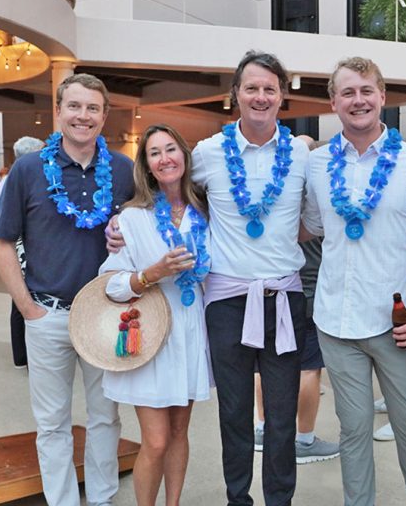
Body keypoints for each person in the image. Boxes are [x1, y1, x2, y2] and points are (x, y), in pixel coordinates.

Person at [302, 57, 406, 506]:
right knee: (353, 430)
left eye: (366, 90)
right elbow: (307, 227)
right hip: (335, 321)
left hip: (396, 324)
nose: (358, 100)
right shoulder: (317, 164)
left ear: (382, 98)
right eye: (348, 92)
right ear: (333, 103)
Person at [0, 73, 134, 506]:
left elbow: (144, 227)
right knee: (52, 422)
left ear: (104, 116)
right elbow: (0, 242)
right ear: (58, 111)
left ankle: (103, 498)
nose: (83, 116)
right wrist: (27, 307)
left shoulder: (124, 170)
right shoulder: (29, 169)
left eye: (93, 108)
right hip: (47, 313)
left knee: (106, 417)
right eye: (74, 106)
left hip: (105, 314)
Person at [191, 51, 308, 506]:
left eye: (269, 89)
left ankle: (281, 500)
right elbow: (170, 193)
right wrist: (124, 225)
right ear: (235, 95)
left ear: (282, 97)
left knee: (282, 416)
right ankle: (237, 498)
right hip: (227, 299)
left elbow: (315, 218)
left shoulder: (300, 154)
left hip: (283, 297)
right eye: (252, 88)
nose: (261, 97)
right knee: (234, 412)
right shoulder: (207, 153)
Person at [98, 124, 212, 506]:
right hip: (151, 334)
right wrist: (152, 274)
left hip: (191, 329)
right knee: (157, 439)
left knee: (180, 433)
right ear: (146, 166)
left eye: (170, 149)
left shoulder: (206, 212)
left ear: (184, 154)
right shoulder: (133, 218)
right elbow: (110, 284)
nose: (165, 159)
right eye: (154, 153)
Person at [253, 134, 339, 466]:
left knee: (263, 365)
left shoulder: (276, 198)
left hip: (271, 290)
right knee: (308, 368)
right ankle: (303, 440)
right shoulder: (323, 198)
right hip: (311, 292)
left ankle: (262, 429)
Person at [4, 136, 46, 369]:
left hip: (25, 245)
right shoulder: (17, 179)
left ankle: (22, 355)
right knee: (21, 299)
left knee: (20, 300)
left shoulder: (25, 177)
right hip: (20, 246)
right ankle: (23, 354)